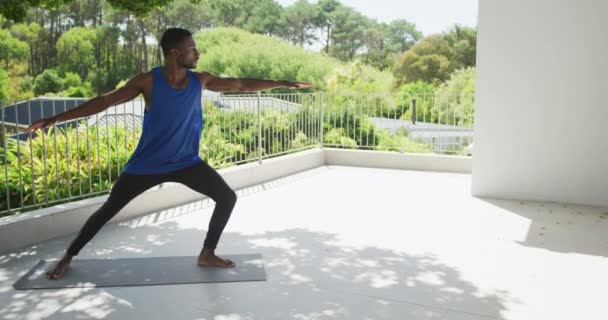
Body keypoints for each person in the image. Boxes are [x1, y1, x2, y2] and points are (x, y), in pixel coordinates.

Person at [24, 28, 313, 280]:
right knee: (108, 209)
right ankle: (68, 256)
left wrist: (284, 83)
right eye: (192, 49)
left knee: (227, 197)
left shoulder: (201, 80)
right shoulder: (147, 82)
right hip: (146, 165)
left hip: (186, 162)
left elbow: (242, 84)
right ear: (175, 53)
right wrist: (54, 119)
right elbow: (104, 102)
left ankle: (207, 253)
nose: (197, 53)